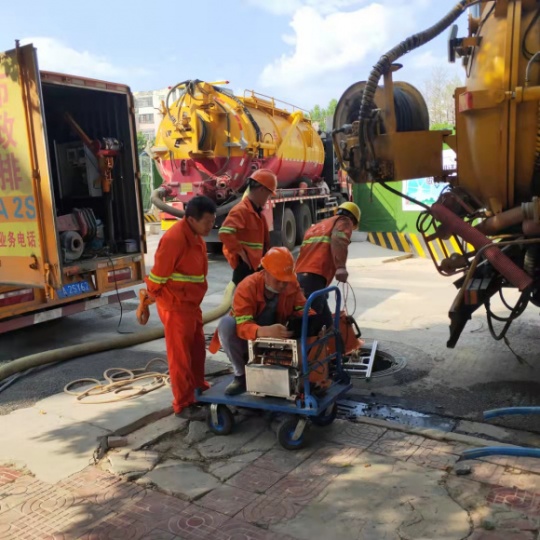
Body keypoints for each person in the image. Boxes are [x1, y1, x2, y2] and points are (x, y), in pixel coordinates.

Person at [145, 195, 217, 420]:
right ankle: (183, 404)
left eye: (212, 221)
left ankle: (198, 388)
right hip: (175, 306)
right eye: (207, 222)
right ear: (192, 219)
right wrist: (150, 297)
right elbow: (158, 275)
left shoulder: (195, 236)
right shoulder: (175, 239)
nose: (211, 226)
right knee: (180, 357)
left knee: (196, 350)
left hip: (191, 306)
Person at [215, 247, 309, 396]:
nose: (283, 285)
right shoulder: (246, 287)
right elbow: (242, 325)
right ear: (265, 273)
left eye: (286, 281)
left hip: (279, 335)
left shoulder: (291, 284)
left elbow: (303, 308)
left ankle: (292, 374)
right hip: (246, 338)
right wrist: (264, 331)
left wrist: (305, 320)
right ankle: (241, 376)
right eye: (279, 280)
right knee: (226, 325)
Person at [295, 201, 361, 329]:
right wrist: (341, 267)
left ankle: (333, 345)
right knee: (312, 322)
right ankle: (307, 348)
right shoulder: (344, 221)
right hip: (315, 277)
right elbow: (339, 239)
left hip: (302, 276)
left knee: (326, 322)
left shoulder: (318, 226)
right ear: (352, 219)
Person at [219, 169, 277, 285]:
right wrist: (240, 253)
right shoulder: (241, 210)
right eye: (269, 194)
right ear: (261, 190)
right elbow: (225, 232)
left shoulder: (257, 213)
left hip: (255, 266)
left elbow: (264, 242)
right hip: (245, 268)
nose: (269, 198)